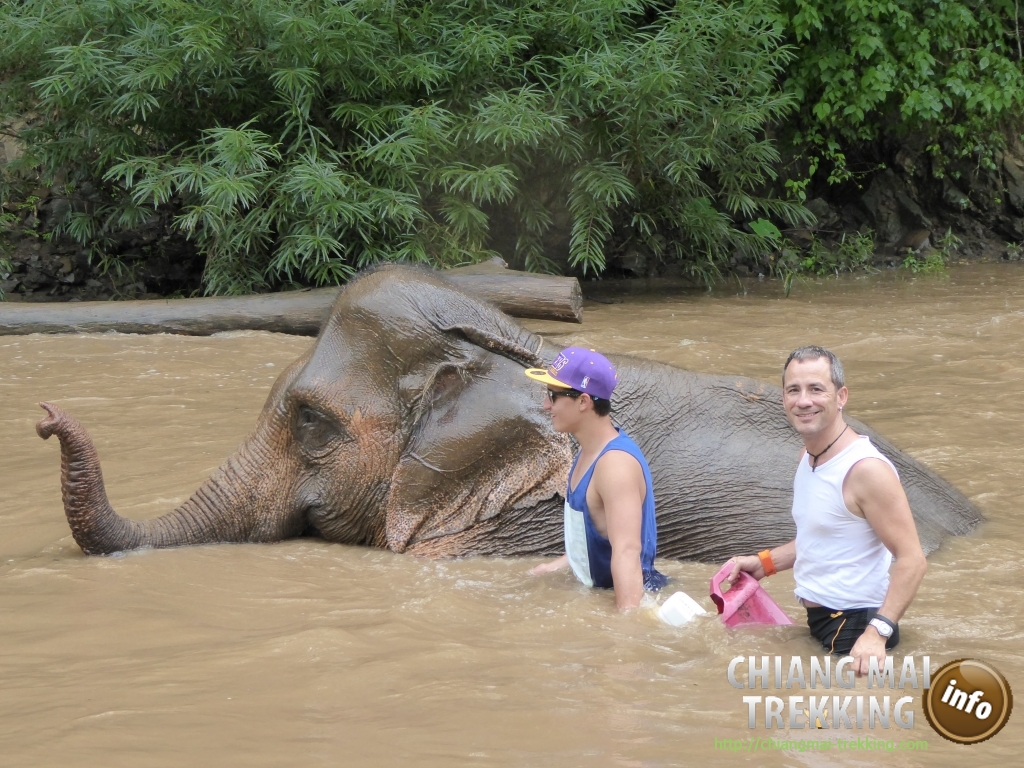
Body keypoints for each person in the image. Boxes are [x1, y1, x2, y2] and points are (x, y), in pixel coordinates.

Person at [724, 346, 927, 674]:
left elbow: (913, 560)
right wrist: (762, 564)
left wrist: (877, 634)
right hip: (824, 623)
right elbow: (822, 538)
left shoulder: (866, 470)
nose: (803, 401)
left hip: (857, 629)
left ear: (841, 396)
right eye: (794, 390)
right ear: (784, 399)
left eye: (816, 389)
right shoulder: (808, 458)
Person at [525, 347, 667, 609]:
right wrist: (554, 567)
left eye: (553, 396)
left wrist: (625, 631)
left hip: (627, 595)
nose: (546, 405)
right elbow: (596, 537)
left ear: (583, 402)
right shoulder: (588, 451)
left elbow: (626, 552)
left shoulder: (615, 466)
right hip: (596, 589)